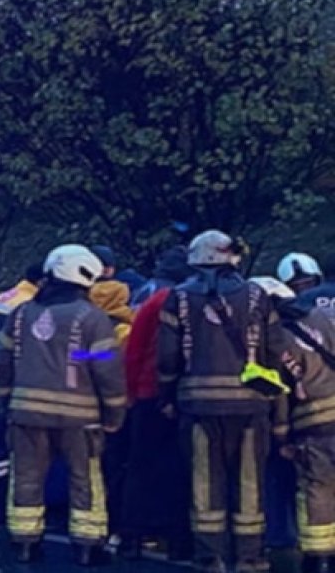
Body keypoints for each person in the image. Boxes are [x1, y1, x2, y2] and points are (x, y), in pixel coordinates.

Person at [158, 231, 292, 573]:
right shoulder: (257, 295)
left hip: (197, 407)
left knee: (204, 483)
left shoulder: (178, 298)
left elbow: (168, 356)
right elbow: (275, 351)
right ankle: (250, 556)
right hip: (251, 405)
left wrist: (167, 395)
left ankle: (210, 556)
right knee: (250, 481)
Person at [0, 245, 126, 567]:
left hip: (25, 412)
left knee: (26, 478)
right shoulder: (92, 317)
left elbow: (3, 358)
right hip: (79, 418)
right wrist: (114, 412)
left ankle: (25, 543)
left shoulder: (22, 313)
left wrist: (6, 399)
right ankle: (86, 546)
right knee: (85, 480)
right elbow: (105, 365)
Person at [251, 277, 335, 573]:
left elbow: (279, 393)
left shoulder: (275, 339)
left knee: (318, 489)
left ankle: (319, 558)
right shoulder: (325, 317)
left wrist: (281, 435)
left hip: (313, 424)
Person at [115, 253, 196, 562]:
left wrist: (131, 392)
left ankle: (131, 536)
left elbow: (133, 350)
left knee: (140, 466)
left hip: (148, 394)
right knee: (181, 468)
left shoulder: (152, 301)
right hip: (186, 395)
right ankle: (179, 539)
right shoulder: (199, 300)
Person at [0, 264, 46, 527]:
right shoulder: (30, 305)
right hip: (16, 381)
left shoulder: (2, 298)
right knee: (19, 448)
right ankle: (14, 510)